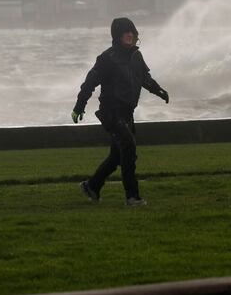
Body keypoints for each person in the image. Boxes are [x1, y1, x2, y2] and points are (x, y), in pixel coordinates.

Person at [71, 17, 169, 206]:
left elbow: (145, 79)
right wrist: (79, 106)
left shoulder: (136, 56)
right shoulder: (107, 58)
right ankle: (132, 197)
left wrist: (159, 91)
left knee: (117, 156)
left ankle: (92, 185)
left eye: (132, 31)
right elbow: (89, 83)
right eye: (126, 32)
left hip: (127, 113)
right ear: (117, 35)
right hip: (111, 113)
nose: (130, 35)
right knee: (129, 148)